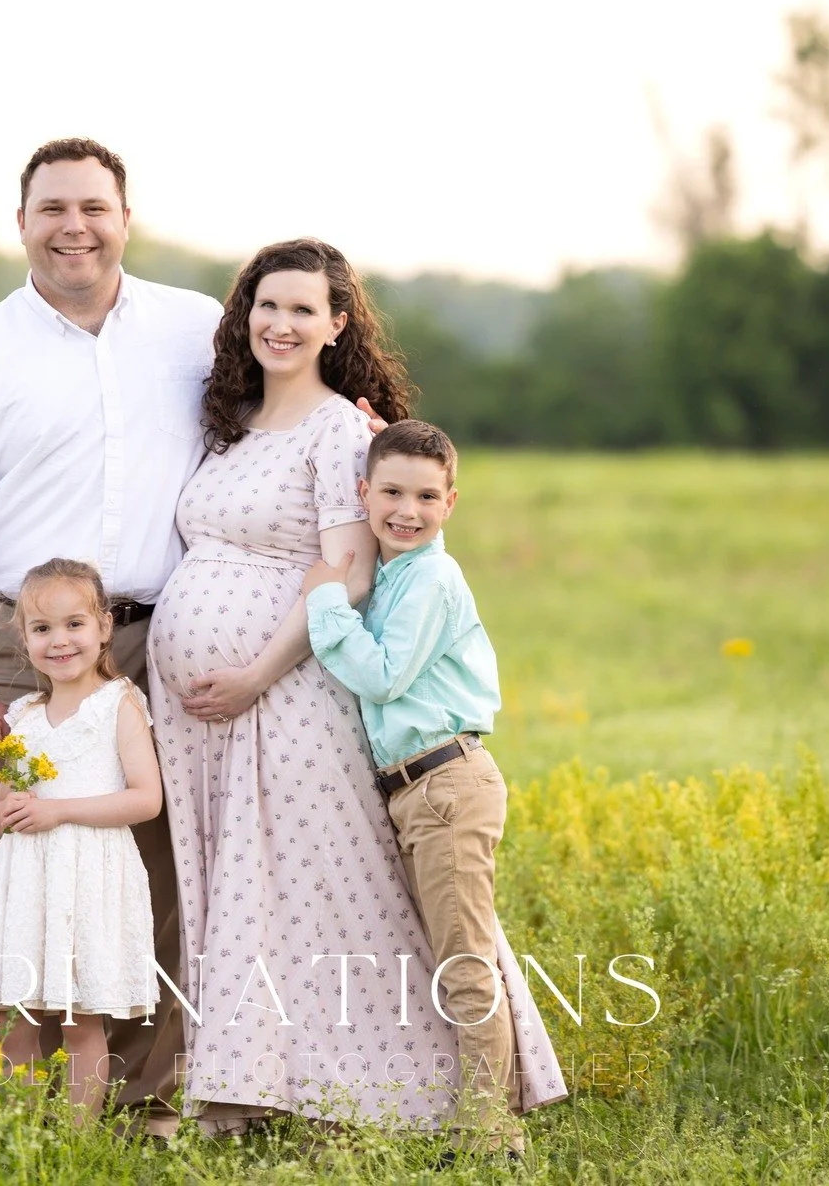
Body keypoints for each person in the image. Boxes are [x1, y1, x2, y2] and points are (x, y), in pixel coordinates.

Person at [0, 138, 220, 1124]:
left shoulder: (194, 329)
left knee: (156, 869)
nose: (73, 225)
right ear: (22, 223)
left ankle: (146, 1099)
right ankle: (30, 1103)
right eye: (52, 208)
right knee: (23, 870)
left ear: (125, 217)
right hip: (20, 644)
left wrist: (364, 422)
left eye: (92, 205)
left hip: (156, 635)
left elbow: (282, 410)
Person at [301, 419, 537, 1159]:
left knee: (465, 960)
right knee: (448, 953)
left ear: (451, 502)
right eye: (392, 491)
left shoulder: (432, 576)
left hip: (447, 784)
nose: (408, 509)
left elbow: (382, 675)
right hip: (413, 789)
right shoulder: (400, 571)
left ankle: (490, 1135)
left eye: (426, 496)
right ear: (361, 492)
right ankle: (473, 1116)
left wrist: (325, 601)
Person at [0, 558, 163, 1124]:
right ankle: (16, 1133)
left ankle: (76, 1143)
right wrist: (11, 811)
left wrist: (57, 811)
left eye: (74, 624)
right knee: (20, 1017)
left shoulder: (118, 704)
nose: (60, 641)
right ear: (23, 637)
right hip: (30, 881)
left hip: (89, 877)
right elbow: (3, 810)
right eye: (42, 629)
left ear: (104, 626)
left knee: (81, 1022)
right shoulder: (23, 715)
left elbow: (145, 799)